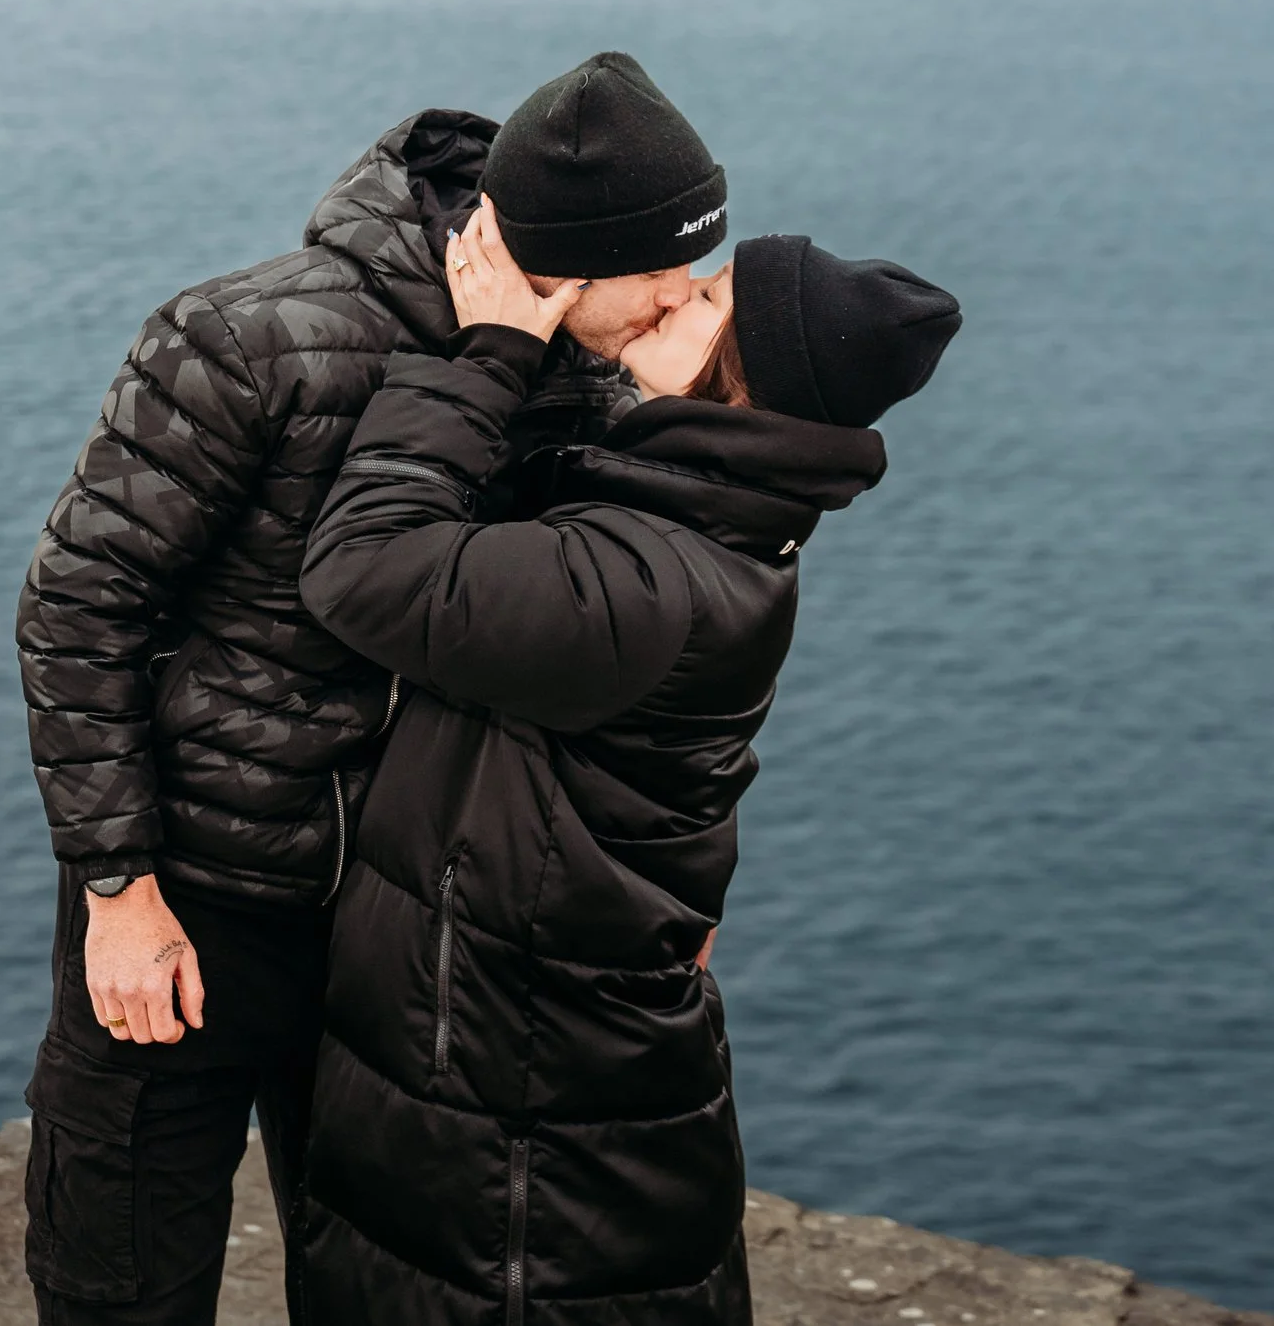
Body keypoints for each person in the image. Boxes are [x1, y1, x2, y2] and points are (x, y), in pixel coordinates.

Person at [14, 53, 735, 1323]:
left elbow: (631, 650)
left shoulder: (605, 378)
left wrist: (660, 892)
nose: (689, 299)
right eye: (664, 268)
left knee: (372, 1284)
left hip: (411, 932)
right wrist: (118, 888)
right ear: (560, 257)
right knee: (117, 1278)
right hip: (197, 894)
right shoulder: (246, 338)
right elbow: (80, 605)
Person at [292, 206, 961, 1324]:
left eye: (705, 302)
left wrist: (490, 355)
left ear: (738, 388)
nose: (673, 288)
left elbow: (363, 568)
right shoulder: (700, 520)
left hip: (527, 1097)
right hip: (535, 1045)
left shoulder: (650, 578)